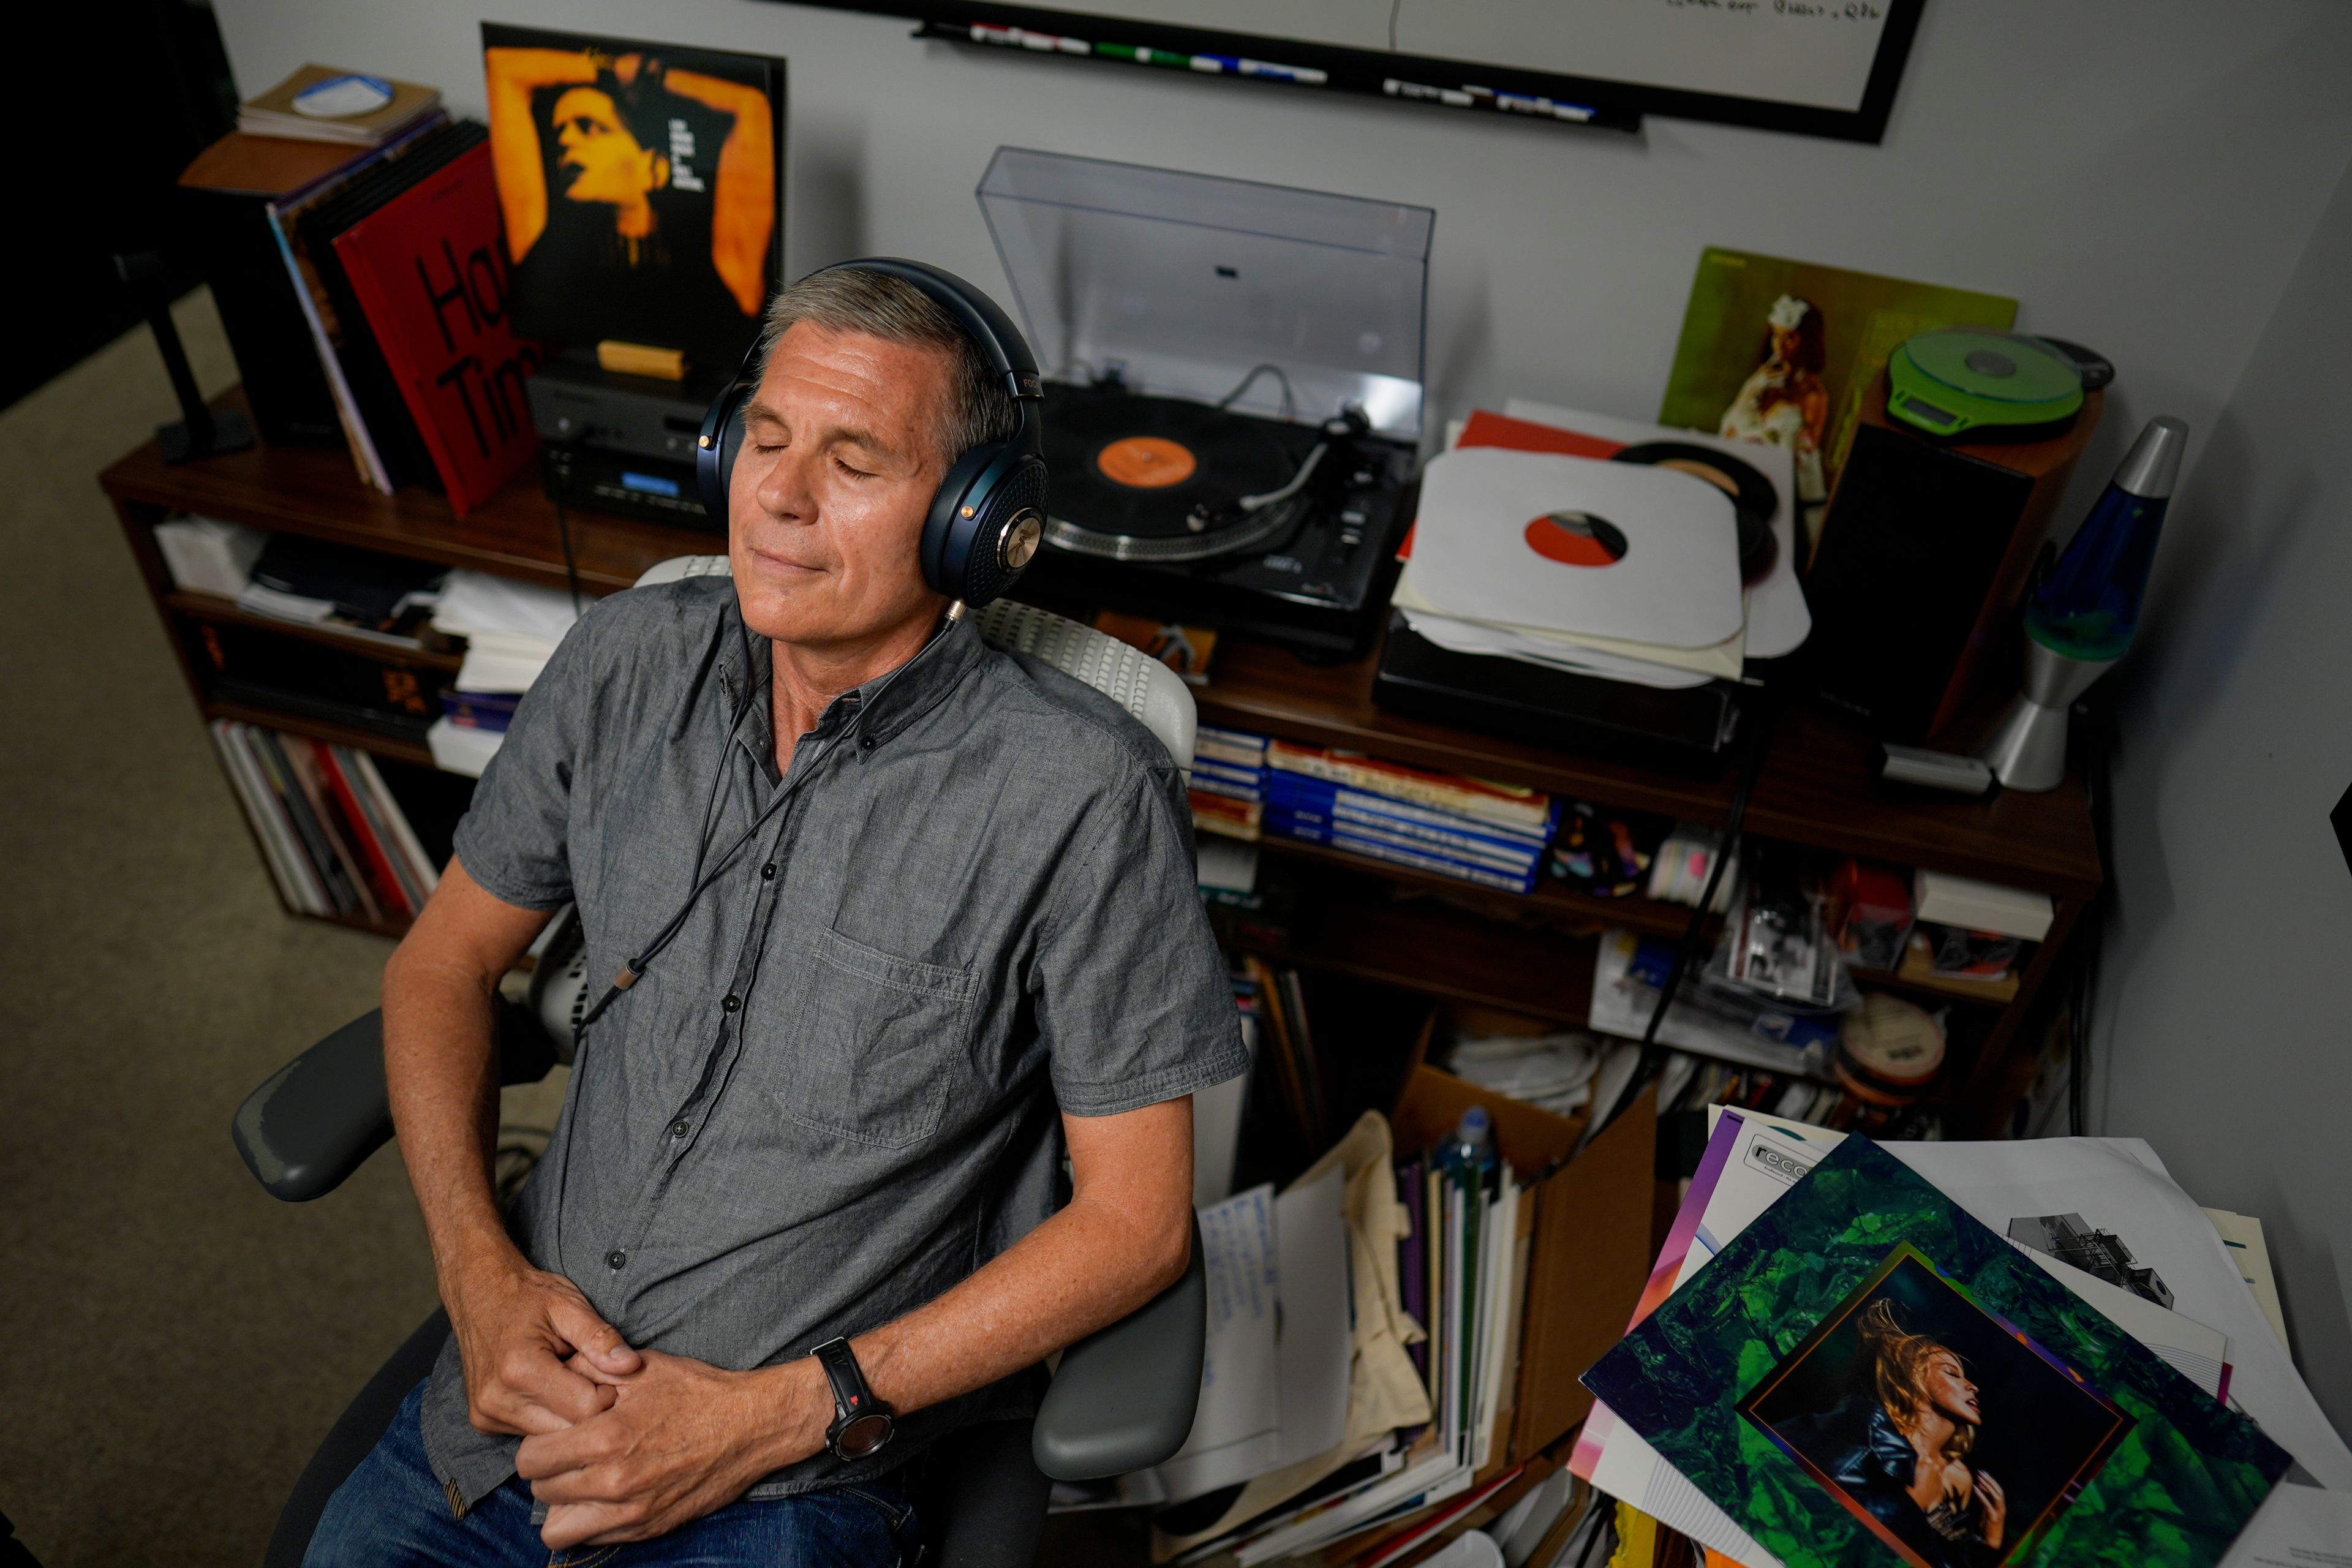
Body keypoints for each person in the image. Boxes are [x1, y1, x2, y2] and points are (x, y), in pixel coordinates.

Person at [303, 266, 1245, 1566]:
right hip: (509, 1404)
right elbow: (441, 964)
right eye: (766, 440)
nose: (781, 498)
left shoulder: (1079, 795)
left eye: (853, 460)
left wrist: (773, 1415)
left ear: (977, 522)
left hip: (791, 1477)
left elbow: (1136, 1224)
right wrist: (478, 1273)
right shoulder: (624, 664)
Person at [486, 43, 774, 356]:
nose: (566, 141)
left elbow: (752, 105)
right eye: (561, 132)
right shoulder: (540, 241)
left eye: (590, 127)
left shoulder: (721, 264)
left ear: (653, 169)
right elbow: (503, 69)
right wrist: (606, 68)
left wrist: (652, 76)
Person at [1776, 1300, 2009, 1568]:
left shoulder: (1958, 1479)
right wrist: (1909, 1503)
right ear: (1912, 1378)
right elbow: (1809, 1534)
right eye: (1952, 1373)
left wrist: (1989, 1545)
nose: (1973, 1387)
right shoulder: (1860, 1426)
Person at [1718, 293, 1831, 542]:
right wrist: (1751, 390)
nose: (1780, 345)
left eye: (1790, 337)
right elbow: (1728, 430)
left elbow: (1805, 456)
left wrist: (1768, 443)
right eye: (1776, 335)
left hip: (1781, 497)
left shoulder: (1813, 395)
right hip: (1740, 481)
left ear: (1807, 341)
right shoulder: (1762, 380)